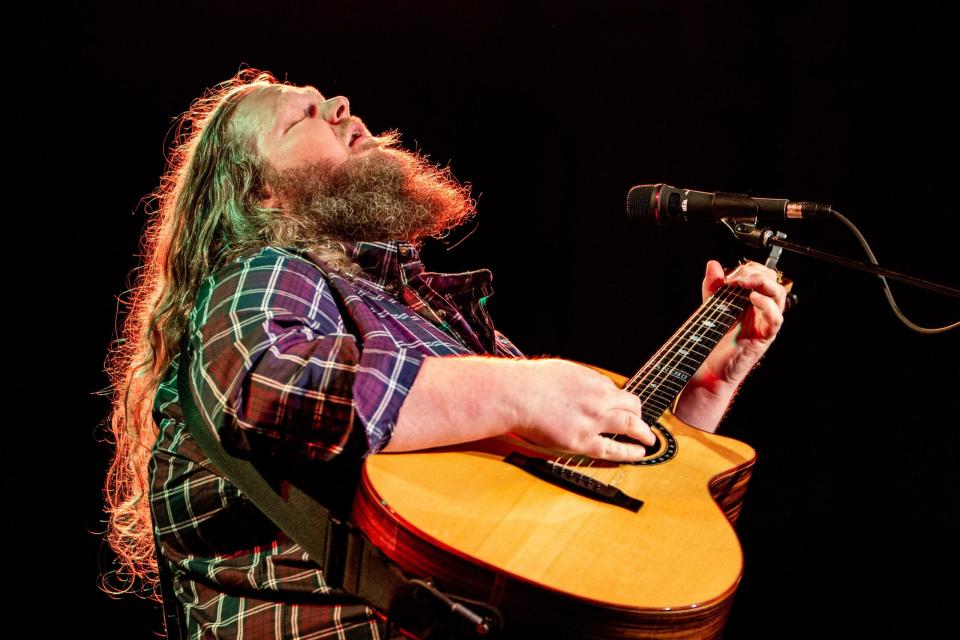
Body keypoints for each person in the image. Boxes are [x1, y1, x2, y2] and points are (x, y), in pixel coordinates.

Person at [103, 68, 787, 639]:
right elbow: (263, 384)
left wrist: (708, 382)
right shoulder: (266, 268)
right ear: (259, 190)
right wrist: (520, 391)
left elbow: (599, 514)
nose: (343, 105)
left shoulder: (430, 320)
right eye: (304, 115)